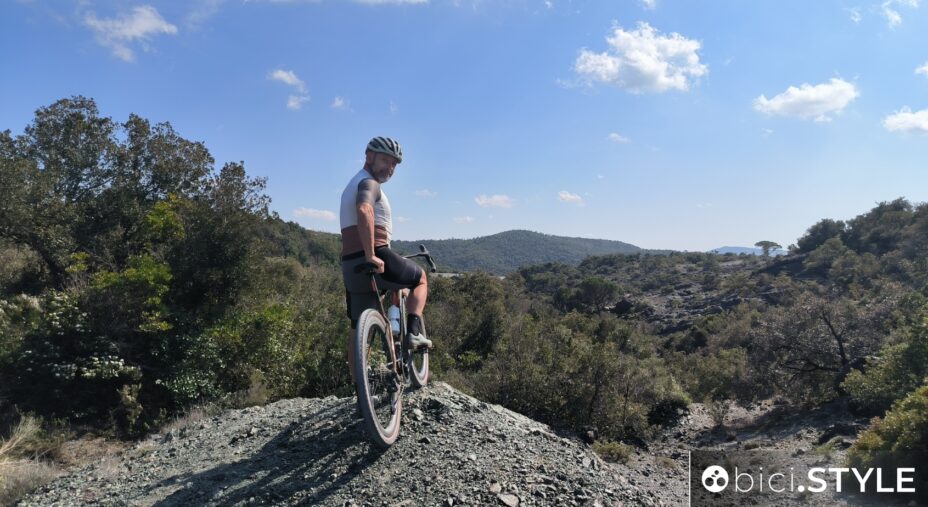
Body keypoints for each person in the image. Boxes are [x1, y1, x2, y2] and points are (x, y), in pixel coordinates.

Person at [340, 136, 431, 384]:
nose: (389, 169)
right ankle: (412, 333)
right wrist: (371, 254)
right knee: (420, 278)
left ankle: (360, 388)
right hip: (375, 255)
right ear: (368, 156)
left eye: (394, 165)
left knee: (358, 330)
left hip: (350, 266)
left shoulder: (351, 184)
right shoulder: (368, 183)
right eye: (384, 161)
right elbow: (364, 209)